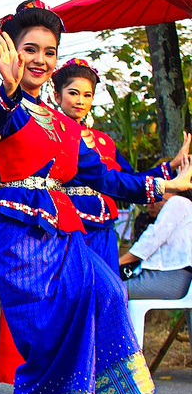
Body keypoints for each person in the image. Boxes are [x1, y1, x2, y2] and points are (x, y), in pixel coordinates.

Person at [0, 0, 192, 394]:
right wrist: (8, 87)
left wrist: (168, 184)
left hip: (65, 231)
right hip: (22, 237)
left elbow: (104, 177)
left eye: (48, 51)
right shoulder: (2, 105)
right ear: (10, 51)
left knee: (108, 290)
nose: (39, 59)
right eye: (29, 48)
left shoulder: (63, 123)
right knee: (41, 335)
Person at [52, 58, 189, 270]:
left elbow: (128, 179)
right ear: (57, 96)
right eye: (73, 93)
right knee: (75, 292)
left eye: (87, 95)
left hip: (104, 229)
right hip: (66, 227)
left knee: (107, 291)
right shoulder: (51, 136)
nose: (80, 100)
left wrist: (172, 165)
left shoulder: (104, 141)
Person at [120, 191, 192, 299]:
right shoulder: (186, 205)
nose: (150, 204)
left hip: (170, 278)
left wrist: (118, 263)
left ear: (170, 193)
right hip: (171, 277)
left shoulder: (177, 202)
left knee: (110, 290)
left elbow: (152, 239)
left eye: (155, 198)